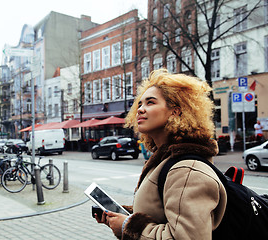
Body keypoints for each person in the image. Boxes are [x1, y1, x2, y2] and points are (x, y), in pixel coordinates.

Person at [94, 69, 227, 239]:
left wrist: (128, 227)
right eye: (140, 104)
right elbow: (163, 213)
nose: (140, 110)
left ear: (175, 111)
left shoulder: (186, 171)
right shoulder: (165, 160)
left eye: (150, 103)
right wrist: (124, 216)